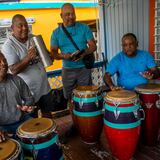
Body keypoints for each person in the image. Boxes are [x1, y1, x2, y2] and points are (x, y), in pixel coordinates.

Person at [1, 14, 54, 117]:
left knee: (48, 115)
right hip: (28, 92)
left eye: (26, 25)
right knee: (31, 120)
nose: (24, 28)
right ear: (12, 28)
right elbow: (13, 70)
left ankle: (50, 133)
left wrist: (49, 56)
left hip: (44, 87)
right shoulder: (8, 46)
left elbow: (47, 56)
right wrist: (29, 57)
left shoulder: (33, 38)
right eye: (20, 26)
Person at [50, 3, 97, 102]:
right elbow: (53, 53)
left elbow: (93, 46)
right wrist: (64, 56)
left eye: (73, 14)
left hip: (84, 68)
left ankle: (84, 117)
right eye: (67, 14)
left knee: (86, 96)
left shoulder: (84, 27)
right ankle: (73, 117)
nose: (71, 17)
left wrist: (84, 52)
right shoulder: (56, 33)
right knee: (70, 98)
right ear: (61, 16)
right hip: (67, 70)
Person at [0, 52, 34, 142]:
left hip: (22, 120)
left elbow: (29, 99)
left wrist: (27, 106)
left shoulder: (16, 79)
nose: (3, 64)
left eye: (4, 61)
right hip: (2, 127)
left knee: (41, 133)